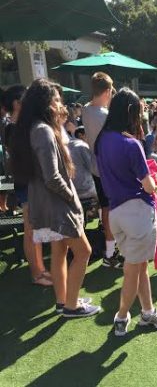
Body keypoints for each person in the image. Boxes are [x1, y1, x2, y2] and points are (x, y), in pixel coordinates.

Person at [9, 79, 99, 317]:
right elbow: (52, 177)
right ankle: (71, 305)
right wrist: (72, 197)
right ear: (45, 103)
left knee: (59, 251)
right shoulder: (43, 131)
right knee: (83, 252)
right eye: (56, 99)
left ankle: (64, 301)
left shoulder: (38, 128)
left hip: (50, 204)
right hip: (57, 205)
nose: (61, 104)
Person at [95, 88, 157, 335]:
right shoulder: (131, 143)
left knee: (139, 267)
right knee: (133, 269)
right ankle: (121, 317)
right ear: (131, 112)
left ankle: (148, 311)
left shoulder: (102, 139)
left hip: (116, 213)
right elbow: (149, 185)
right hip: (136, 212)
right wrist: (152, 177)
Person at [2, 85, 50, 286]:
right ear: (16, 103)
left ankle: (40, 270)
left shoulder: (15, 126)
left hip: (26, 182)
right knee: (31, 229)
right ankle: (37, 273)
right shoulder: (14, 127)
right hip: (25, 184)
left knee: (33, 229)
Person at [82, 72, 123, 268]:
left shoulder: (86, 109)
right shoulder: (105, 115)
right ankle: (110, 253)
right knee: (111, 210)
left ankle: (110, 250)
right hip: (108, 169)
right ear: (107, 91)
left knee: (106, 209)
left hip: (96, 168)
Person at [68, 127, 97, 202]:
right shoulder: (82, 146)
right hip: (86, 189)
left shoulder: (67, 145)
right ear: (81, 135)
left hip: (71, 190)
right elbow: (94, 169)